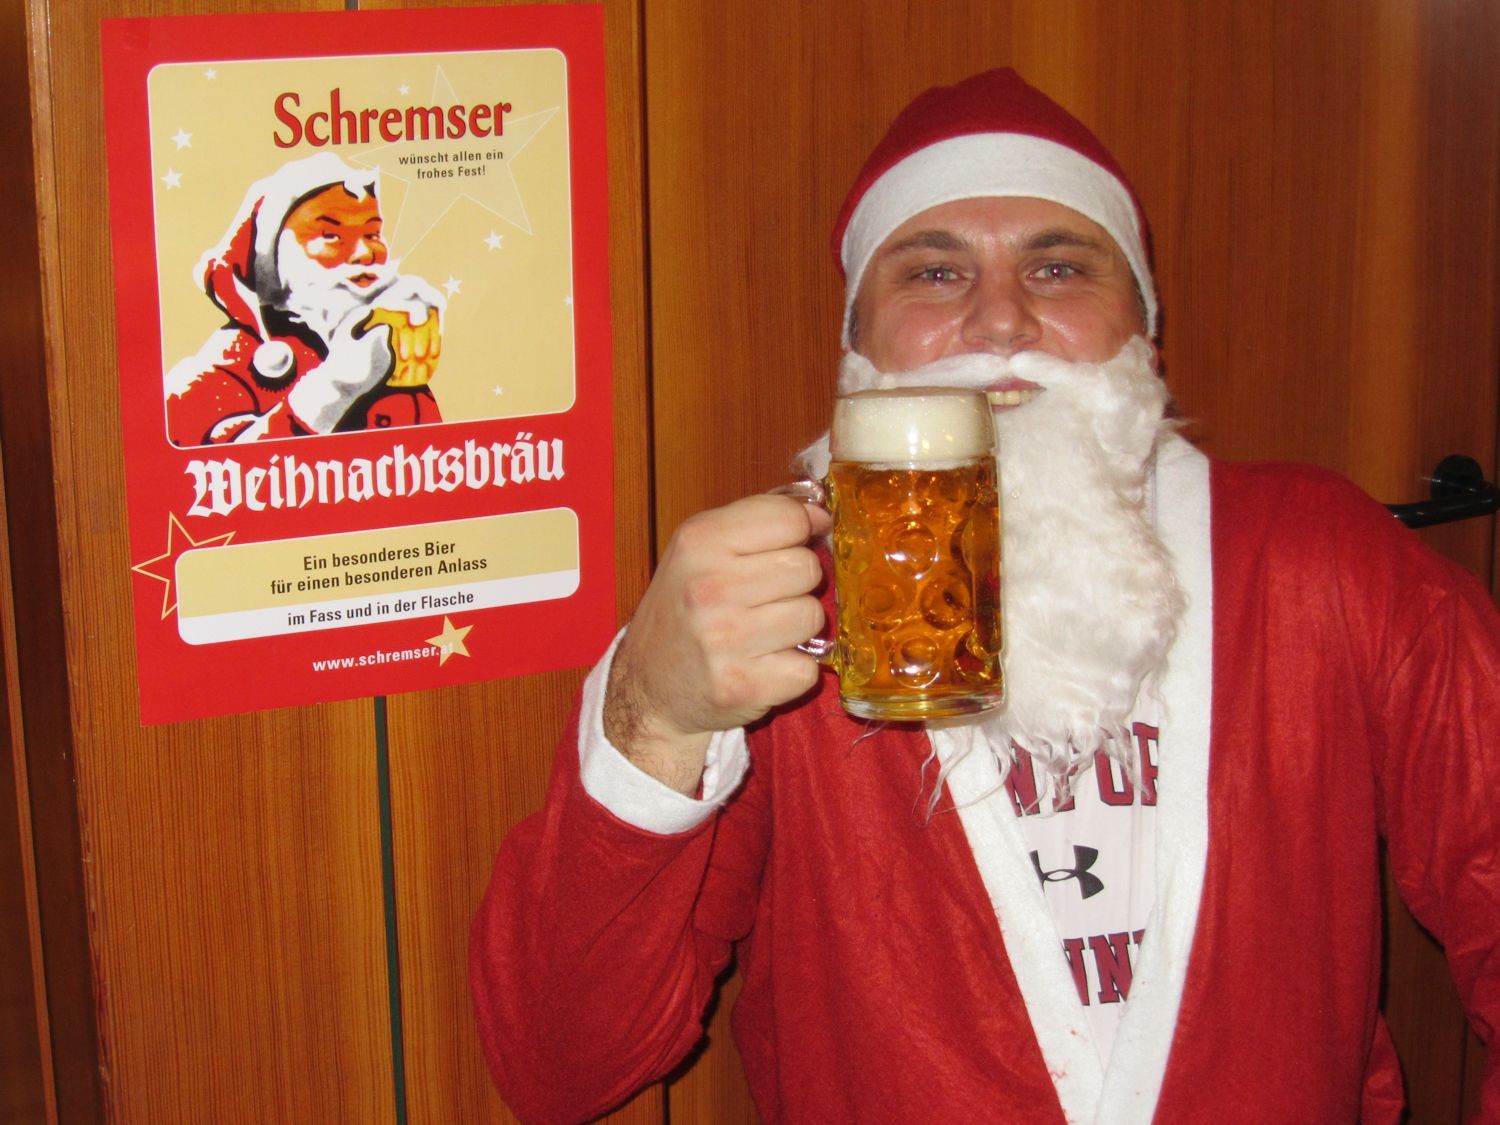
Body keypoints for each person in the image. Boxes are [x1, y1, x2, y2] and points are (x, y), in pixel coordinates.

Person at [470, 68, 1500, 1123]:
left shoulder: (1324, 563)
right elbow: (563, 1067)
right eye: (933, 272)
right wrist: (653, 715)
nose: (1001, 321)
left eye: (1058, 268)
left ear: (1145, 332)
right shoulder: (764, 617)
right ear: (857, 351)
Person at [165, 153, 445, 446]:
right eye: (331, 234)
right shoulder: (226, 367)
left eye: (372, 233)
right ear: (273, 260)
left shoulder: (386, 357)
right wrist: (336, 387)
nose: (365, 253)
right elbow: (214, 462)